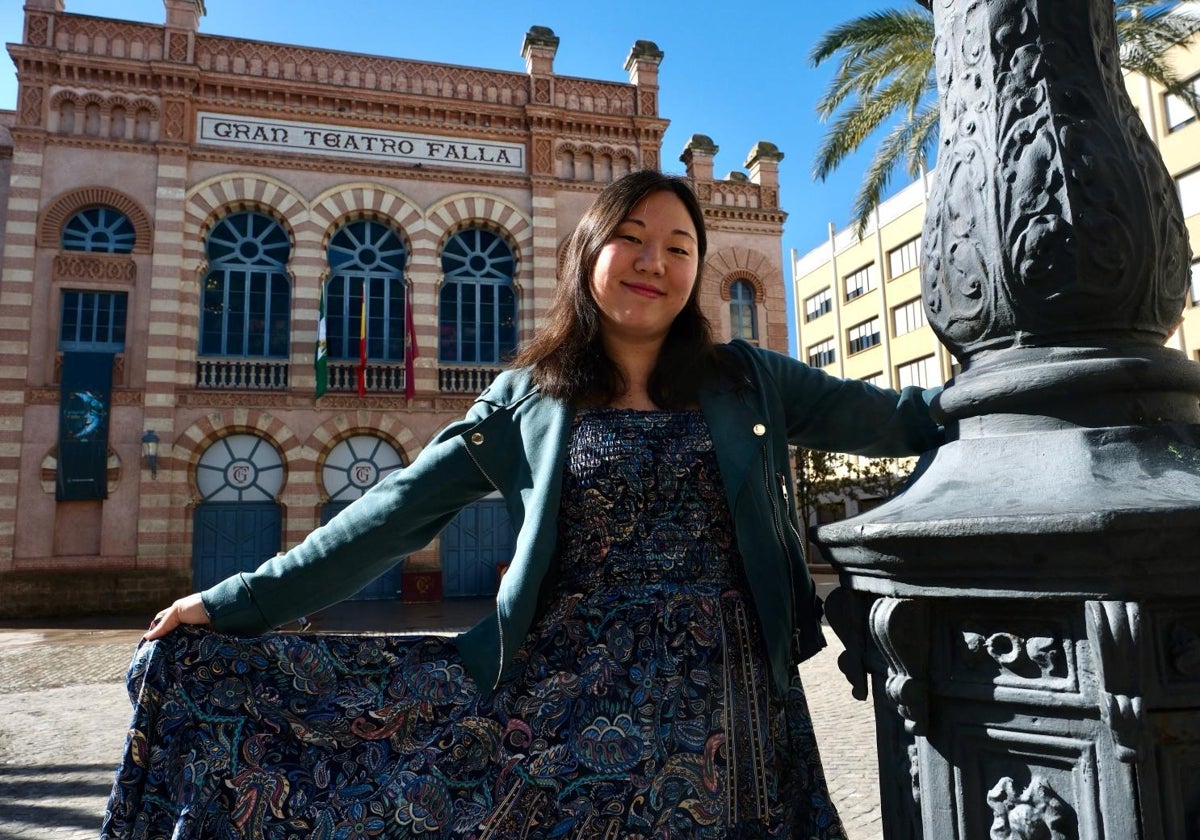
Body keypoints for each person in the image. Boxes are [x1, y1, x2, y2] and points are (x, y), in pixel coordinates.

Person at [102, 170, 942, 839]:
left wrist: (992, 394)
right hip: (567, 704)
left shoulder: (751, 378)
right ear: (586, 256)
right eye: (631, 238)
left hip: (737, 706)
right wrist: (233, 600)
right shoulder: (526, 400)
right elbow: (393, 515)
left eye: (680, 247)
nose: (656, 262)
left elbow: (895, 420)